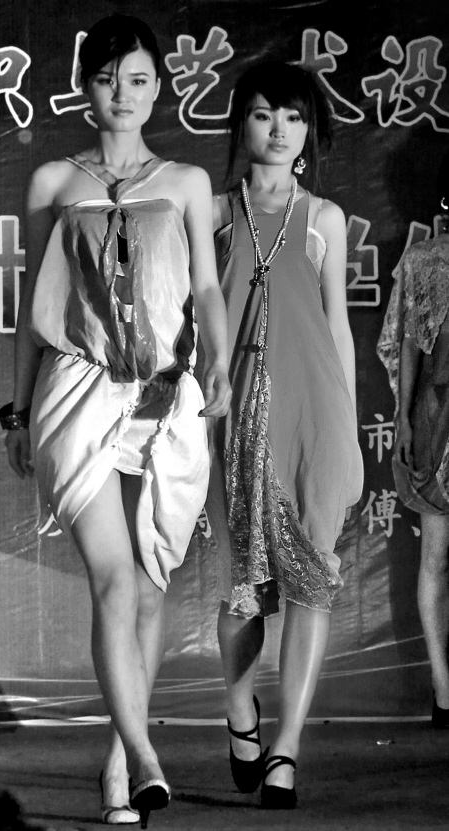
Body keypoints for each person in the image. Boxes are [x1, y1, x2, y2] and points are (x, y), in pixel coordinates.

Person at [0, 13, 231, 828]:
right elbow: (32, 310)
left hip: (166, 396)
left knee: (151, 584)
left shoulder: (189, 182)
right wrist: (18, 410)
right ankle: (146, 755)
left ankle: (116, 760)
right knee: (114, 577)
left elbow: (207, 287)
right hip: (77, 392)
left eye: (136, 79)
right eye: (105, 79)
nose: (121, 95)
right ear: (84, 88)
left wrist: (219, 363)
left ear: (158, 87)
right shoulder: (53, 183)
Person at [206, 61, 363, 809]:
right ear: (242, 122)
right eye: (265, 113)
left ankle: (287, 748)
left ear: (310, 131)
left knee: (313, 583)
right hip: (235, 417)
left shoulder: (325, 218)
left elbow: (339, 327)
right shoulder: (211, 212)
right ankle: (241, 711)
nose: (278, 129)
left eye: (294, 117)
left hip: (316, 418)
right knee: (243, 591)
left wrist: (351, 431)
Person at [377, 152, 449, 729]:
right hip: (437, 418)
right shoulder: (425, 261)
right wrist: (402, 418)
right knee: (437, 557)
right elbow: (405, 342)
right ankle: (444, 690)